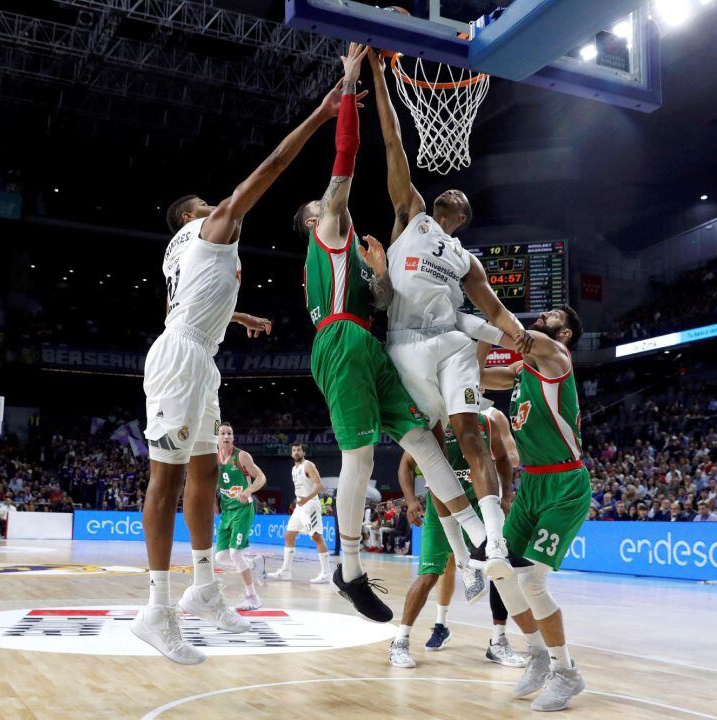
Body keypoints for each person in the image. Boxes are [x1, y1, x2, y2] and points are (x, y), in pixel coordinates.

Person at [130, 63, 345, 665]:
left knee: (202, 474)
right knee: (166, 479)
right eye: (203, 202)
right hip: (179, 358)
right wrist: (322, 115)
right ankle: (156, 608)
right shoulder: (209, 228)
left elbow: (196, 302)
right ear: (190, 217)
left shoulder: (184, 255)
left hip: (200, 354)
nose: (216, 203)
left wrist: (239, 318)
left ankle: (204, 587)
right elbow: (273, 165)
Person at [291, 44, 494, 620]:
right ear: (313, 220)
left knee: (423, 441)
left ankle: (478, 535)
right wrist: (354, 80)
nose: (334, 203)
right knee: (358, 459)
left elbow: (378, 301)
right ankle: (349, 569)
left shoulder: (357, 252)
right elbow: (348, 153)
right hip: (339, 342)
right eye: (324, 204)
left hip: (369, 341)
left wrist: (380, 276)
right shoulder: (328, 226)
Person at [366, 48, 531, 581]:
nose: (452, 191)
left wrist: (517, 332)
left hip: (450, 342)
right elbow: (393, 141)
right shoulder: (410, 213)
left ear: (461, 217)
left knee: (471, 433)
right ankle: (467, 552)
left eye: (460, 198)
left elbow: (491, 306)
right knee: (430, 448)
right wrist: (377, 75)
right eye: (450, 190)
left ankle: (496, 543)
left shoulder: (465, 258)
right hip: (406, 343)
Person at [478, 307, 589, 712]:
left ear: (567, 334)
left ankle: (568, 673)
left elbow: (516, 334)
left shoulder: (558, 360)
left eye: (551, 316)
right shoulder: (519, 374)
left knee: (533, 582)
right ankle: (539, 655)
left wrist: (478, 312)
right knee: (501, 572)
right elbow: (475, 377)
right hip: (532, 485)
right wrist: (477, 337)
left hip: (564, 483)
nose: (541, 317)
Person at [389, 408, 526, 669]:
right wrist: (409, 501)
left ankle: (498, 642)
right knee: (429, 575)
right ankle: (400, 642)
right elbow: (406, 465)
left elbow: (505, 459)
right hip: (441, 510)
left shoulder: (487, 423)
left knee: (500, 571)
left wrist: (506, 495)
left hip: (478, 508)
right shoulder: (435, 425)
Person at [214, 422, 267, 610]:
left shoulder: (242, 456)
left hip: (243, 509)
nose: (226, 436)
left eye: (229, 433)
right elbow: (213, 483)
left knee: (236, 554)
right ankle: (254, 563)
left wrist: (249, 490)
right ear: (217, 437)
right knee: (220, 556)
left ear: (233, 437)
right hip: (227, 511)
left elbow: (261, 477)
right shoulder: (214, 458)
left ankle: (253, 597)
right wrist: (214, 502)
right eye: (222, 433)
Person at [267, 443, 331, 584]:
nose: (296, 452)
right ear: (291, 453)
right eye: (294, 450)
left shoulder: (308, 465)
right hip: (300, 506)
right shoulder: (293, 469)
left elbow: (319, 486)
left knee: (316, 537)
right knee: (289, 535)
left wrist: (306, 499)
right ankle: (285, 571)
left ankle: (326, 573)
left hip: (310, 504)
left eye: (299, 450)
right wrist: (300, 502)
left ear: (303, 452)